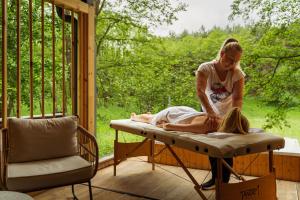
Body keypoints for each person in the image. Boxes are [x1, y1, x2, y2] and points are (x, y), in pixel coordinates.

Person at [196, 38, 245, 189]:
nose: (232, 64)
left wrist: (231, 119)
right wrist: (211, 113)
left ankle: (223, 183)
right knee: (213, 146)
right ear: (222, 54)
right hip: (209, 111)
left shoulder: (237, 74)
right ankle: (215, 178)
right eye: (230, 59)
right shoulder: (205, 68)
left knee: (227, 147)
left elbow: (237, 99)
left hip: (228, 113)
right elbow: (200, 92)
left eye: (236, 61)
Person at [130, 106, 249, 135]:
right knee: (151, 119)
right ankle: (135, 117)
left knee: (153, 116)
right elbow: (170, 127)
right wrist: (163, 125)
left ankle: (150, 115)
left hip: (188, 112)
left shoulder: (219, 119)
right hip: (172, 115)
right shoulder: (205, 126)